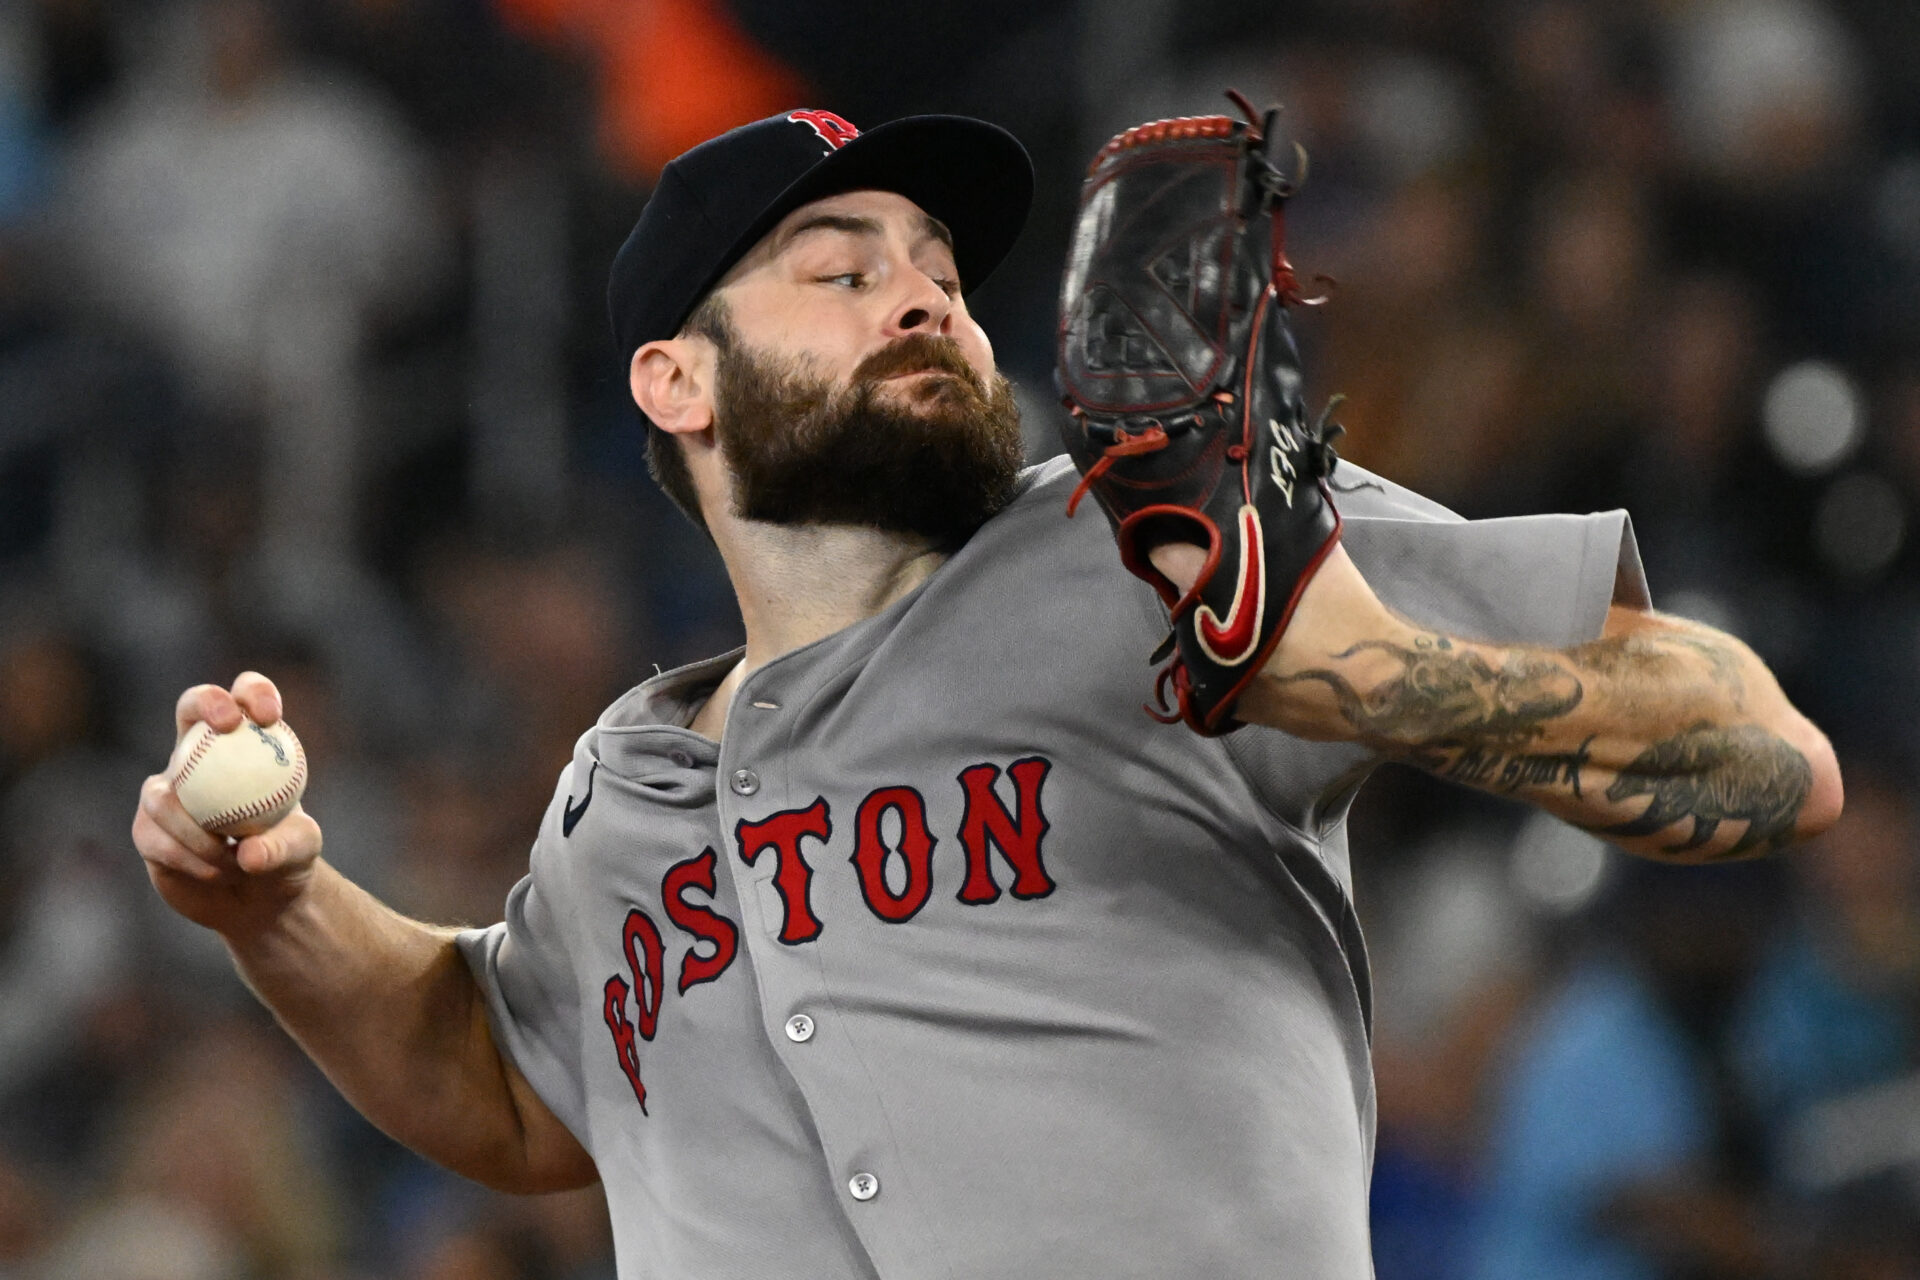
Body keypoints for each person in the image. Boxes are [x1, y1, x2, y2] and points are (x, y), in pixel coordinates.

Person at [130, 108, 1841, 1278]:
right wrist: (277, 905)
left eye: (935, 260)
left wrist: (1350, 669)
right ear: (675, 381)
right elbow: (511, 1083)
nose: (924, 289)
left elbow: (1759, 751)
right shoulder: (620, 790)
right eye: (839, 262)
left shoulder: (1146, 542)